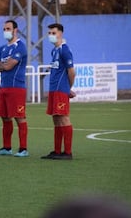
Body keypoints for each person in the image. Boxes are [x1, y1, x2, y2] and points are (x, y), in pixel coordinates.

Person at [0, 20, 29, 157]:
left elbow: (8, 66)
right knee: (5, 117)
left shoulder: (20, 47)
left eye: (8, 28)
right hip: (4, 87)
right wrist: (3, 64)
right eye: (4, 29)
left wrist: (3, 64)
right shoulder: (2, 48)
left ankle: (23, 148)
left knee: (19, 117)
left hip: (16, 87)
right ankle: (7, 148)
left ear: (15, 30)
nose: (6, 31)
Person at [41, 23, 76, 160]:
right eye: (49, 33)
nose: (51, 35)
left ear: (60, 34)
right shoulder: (54, 51)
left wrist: (68, 88)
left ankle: (67, 152)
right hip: (53, 90)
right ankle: (57, 151)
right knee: (56, 118)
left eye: (53, 33)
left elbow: (72, 72)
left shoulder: (64, 50)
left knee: (64, 118)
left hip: (61, 90)